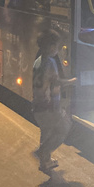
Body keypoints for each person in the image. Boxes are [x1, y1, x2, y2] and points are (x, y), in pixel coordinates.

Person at [31, 29, 76, 172]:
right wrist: (72, 81)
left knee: (46, 132)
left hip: (37, 105)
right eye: (57, 45)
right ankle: (44, 152)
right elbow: (56, 82)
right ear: (51, 47)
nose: (58, 48)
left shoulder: (38, 60)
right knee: (65, 127)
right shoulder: (50, 62)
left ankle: (45, 162)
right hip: (49, 105)